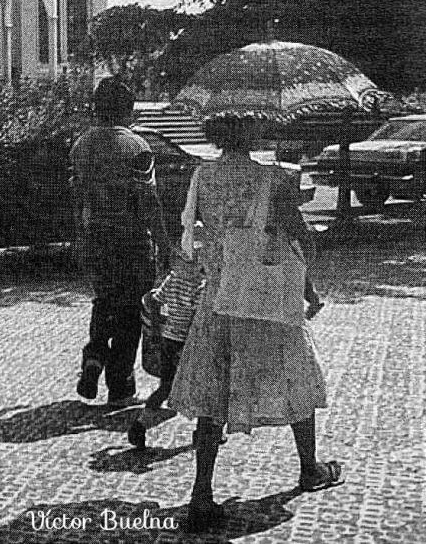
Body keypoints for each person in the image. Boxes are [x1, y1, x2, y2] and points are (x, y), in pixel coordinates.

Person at [167, 114, 342, 533]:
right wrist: (310, 286)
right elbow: (299, 241)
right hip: (264, 302)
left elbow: (194, 234)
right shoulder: (274, 179)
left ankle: (201, 494)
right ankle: (309, 469)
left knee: (213, 393)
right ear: (252, 132)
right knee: (294, 377)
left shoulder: (201, 176)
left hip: (220, 298)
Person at [69, 77, 170, 407]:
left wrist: (79, 239)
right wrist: (165, 244)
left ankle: (95, 353)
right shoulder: (137, 148)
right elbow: (148, 201)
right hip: (131, 242)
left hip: (95, 236)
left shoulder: (81, 146)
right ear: (128, 109)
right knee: (130, 313)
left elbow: (77, 197)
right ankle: (120, 384)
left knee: (104, 300)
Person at [127, 243, 206, 450]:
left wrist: (155, 326)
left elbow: (153, 300)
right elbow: (199, 317)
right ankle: (203, 431)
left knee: (165, 386)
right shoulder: (200, 287)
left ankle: (141, 423)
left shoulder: (172, 280)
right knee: (200, 387)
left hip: (168, 339)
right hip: (188, 343)